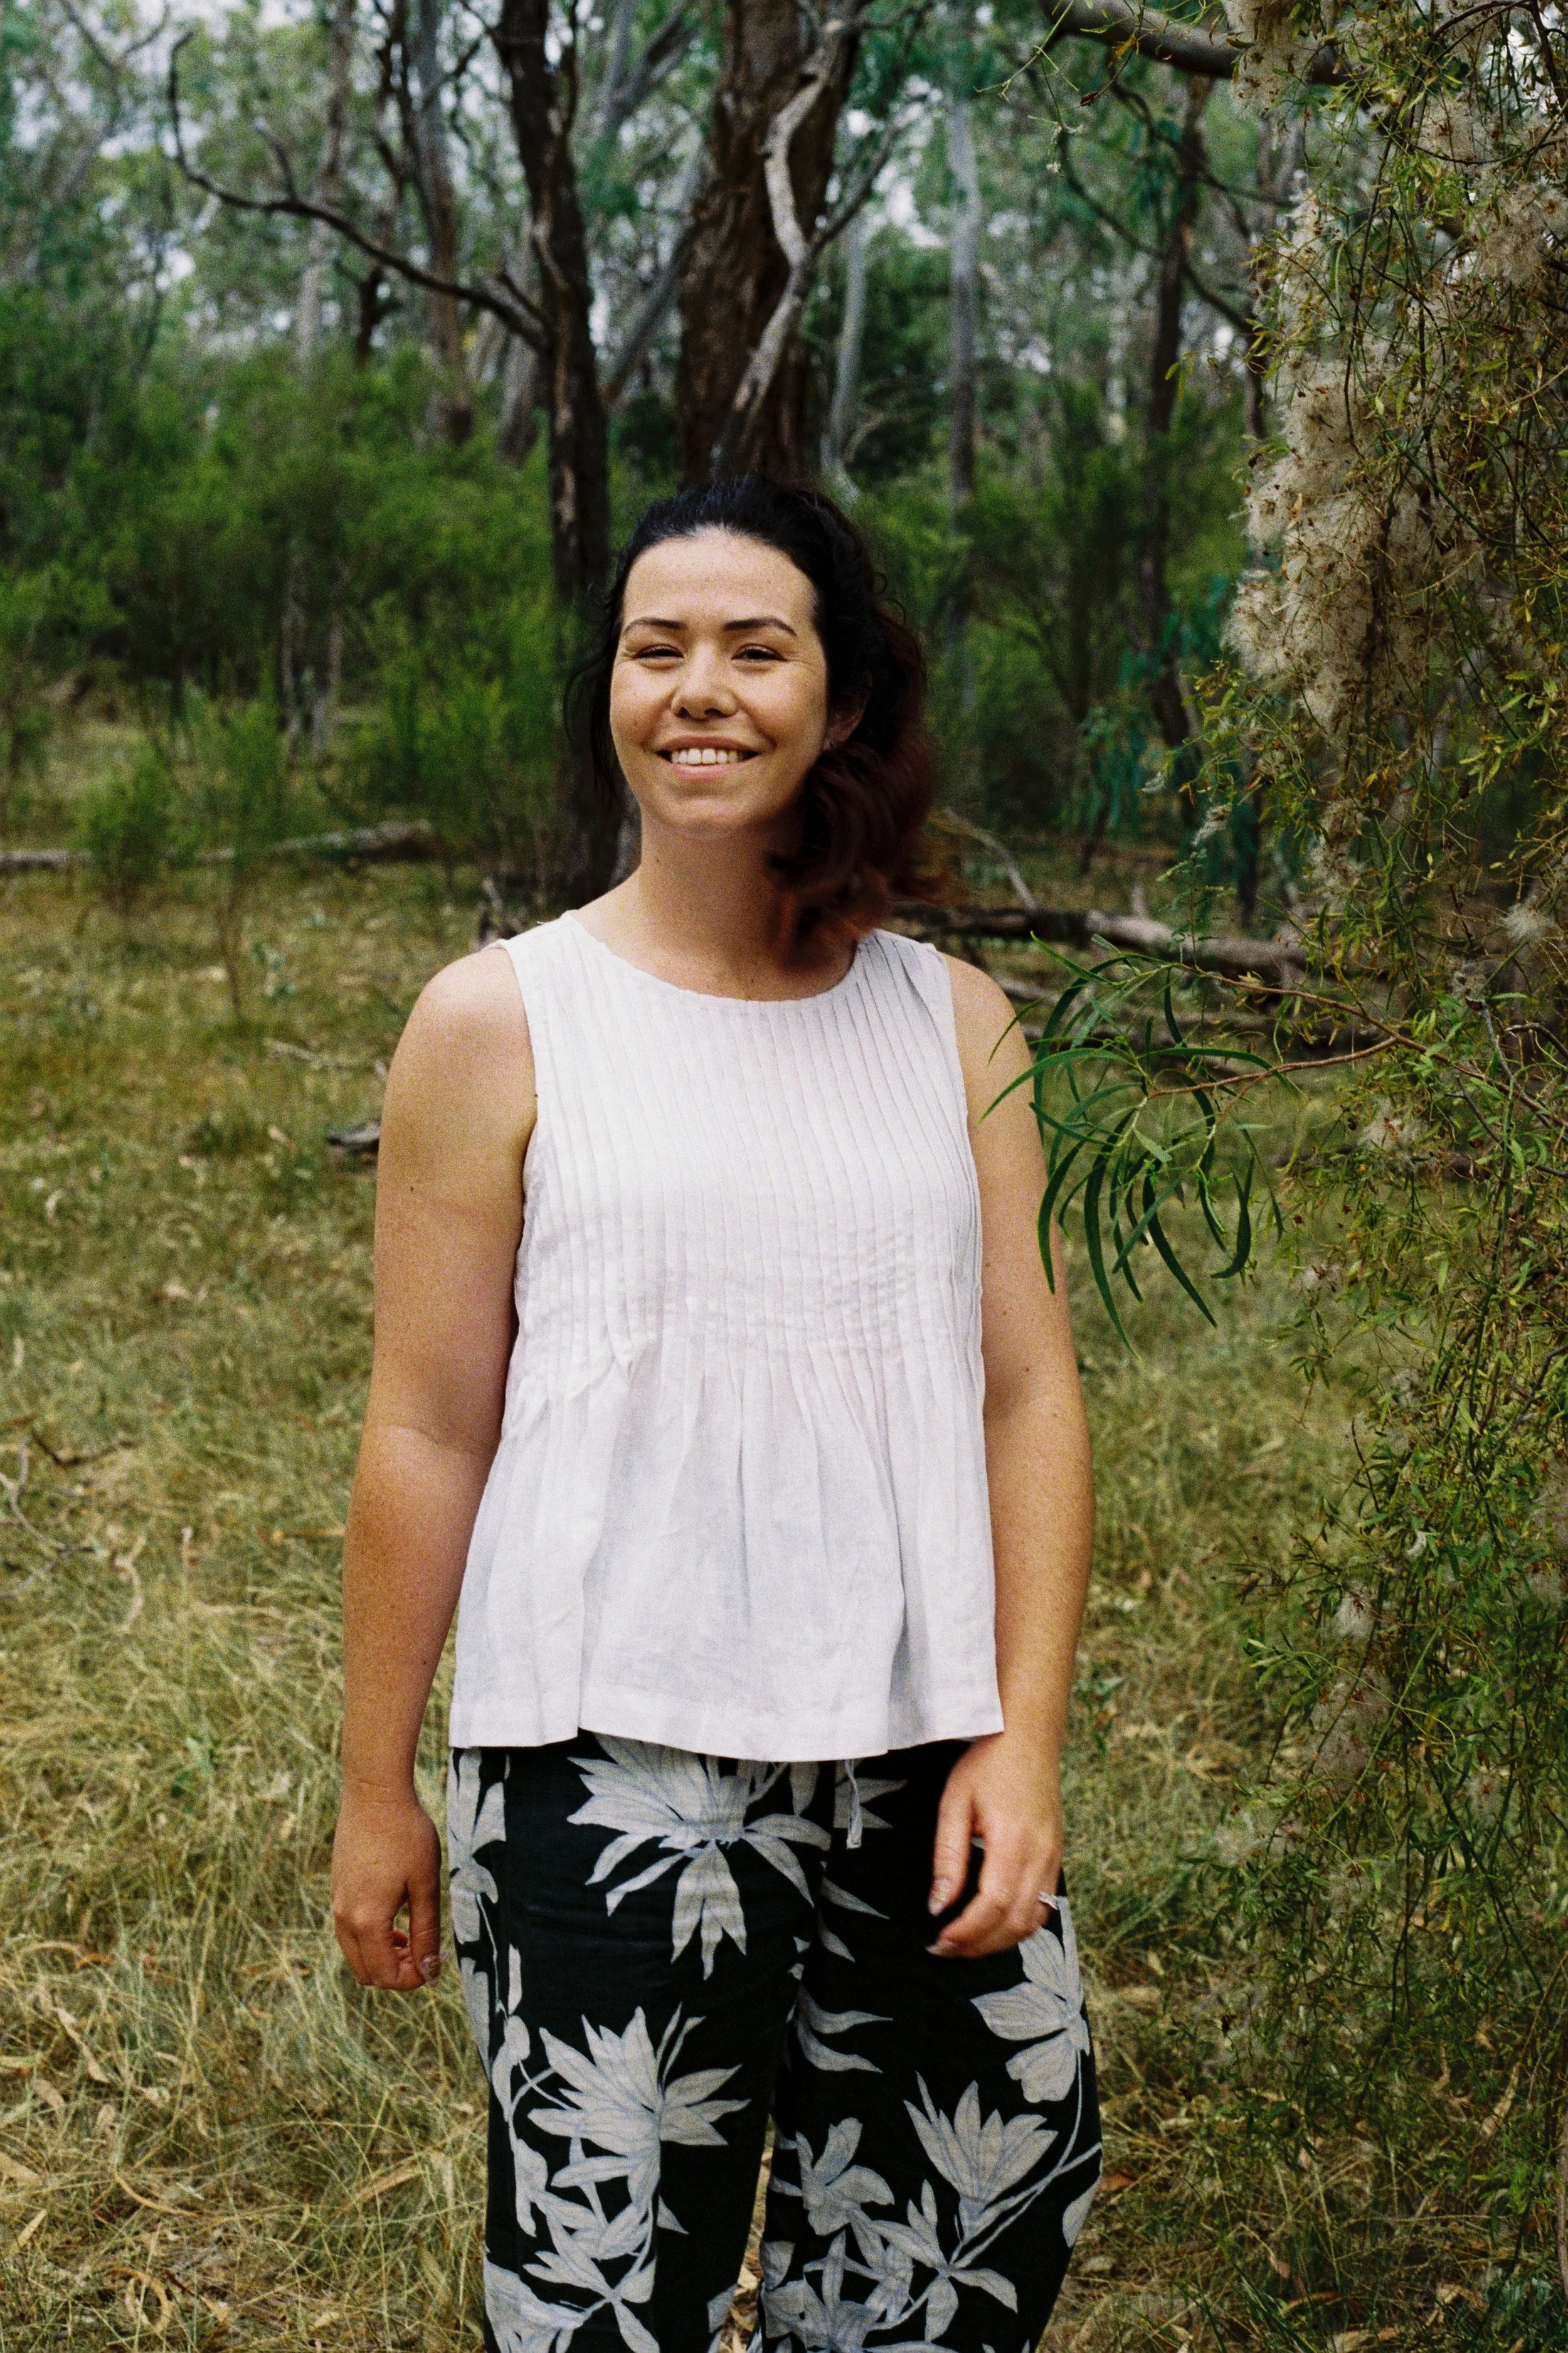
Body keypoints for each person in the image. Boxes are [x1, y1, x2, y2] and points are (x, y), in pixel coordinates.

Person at [330, 473, 1101, 2353]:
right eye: (654, 646)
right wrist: (374, 1789)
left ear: (838, 701)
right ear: (609, 685)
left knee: (967, 2225)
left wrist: (1026, 1740)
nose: (698, 688)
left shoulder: (954, 1024)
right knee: (611, 2300)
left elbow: (1025, 1391)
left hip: (920, 1752)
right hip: (603, 1773)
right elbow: (427, 1428)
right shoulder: (498, 1020)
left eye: (756, 648)